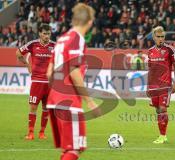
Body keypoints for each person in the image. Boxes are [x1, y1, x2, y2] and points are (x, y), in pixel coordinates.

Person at [46, 3, 100, 160]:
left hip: (54, 100)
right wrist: (89, 101)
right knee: (74, 150)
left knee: (69, 149)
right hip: (68, 102)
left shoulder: (62, 39)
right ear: (90, 22)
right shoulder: (77, 39)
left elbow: (49, 73)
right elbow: (74, 71)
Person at [16, 24, 55, 140]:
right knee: (33, 107)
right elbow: (18, 53)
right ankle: (31, 133)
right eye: (44, 33)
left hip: (49, 83)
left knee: (46, 109)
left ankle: (42, 133)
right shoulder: (33, 44)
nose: (46, 36)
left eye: (48, 34)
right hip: (37, 81)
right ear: (39, 33)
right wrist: (28, 64)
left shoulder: (55, 46)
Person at [147, 26, 175, 144]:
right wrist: (147, 86)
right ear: (154, 37)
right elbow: (150, 69)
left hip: (165, 85)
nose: (160, 38)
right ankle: (162, 134)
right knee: (157, 110)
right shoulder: (150, 51)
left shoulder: (170, 49)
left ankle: (162, 136)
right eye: (158, 36)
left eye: (162, 36)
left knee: (162, 109)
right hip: (153, 86)